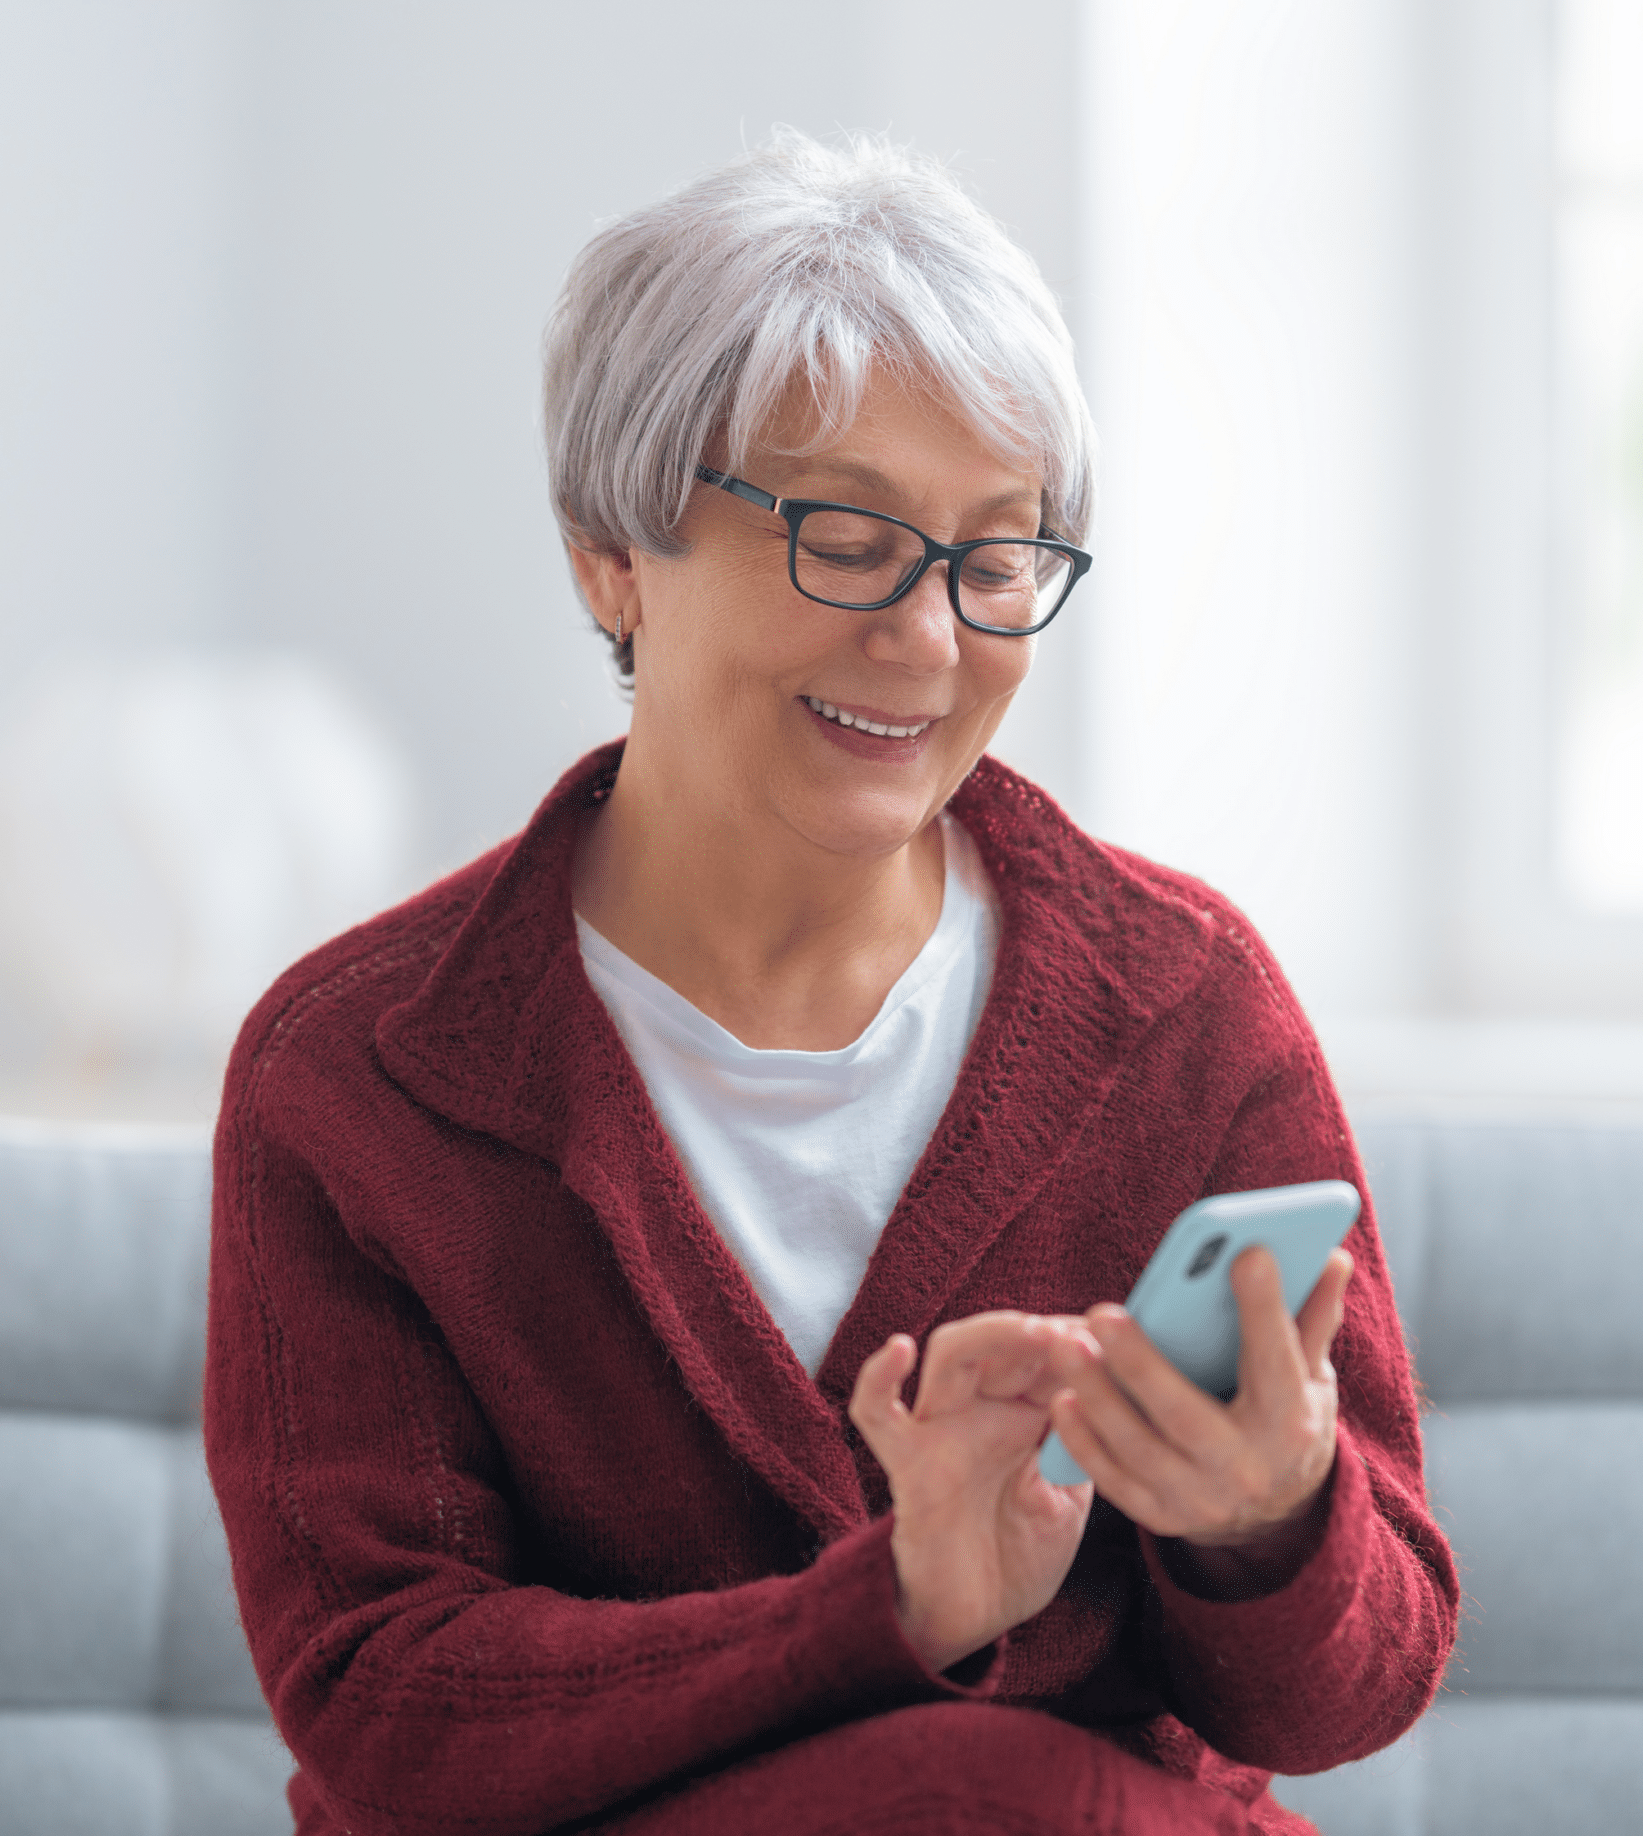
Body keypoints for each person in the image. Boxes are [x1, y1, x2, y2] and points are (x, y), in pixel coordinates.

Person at [204, 130, 1456, 1836]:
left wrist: (1270, 1521)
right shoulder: (363, 1072)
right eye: (850, 539)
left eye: (998, 556)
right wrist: (894, 1608)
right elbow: (393, 1706)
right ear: (610, 556)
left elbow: (1352, 1694)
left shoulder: (1182, 1005)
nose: (931, 638)